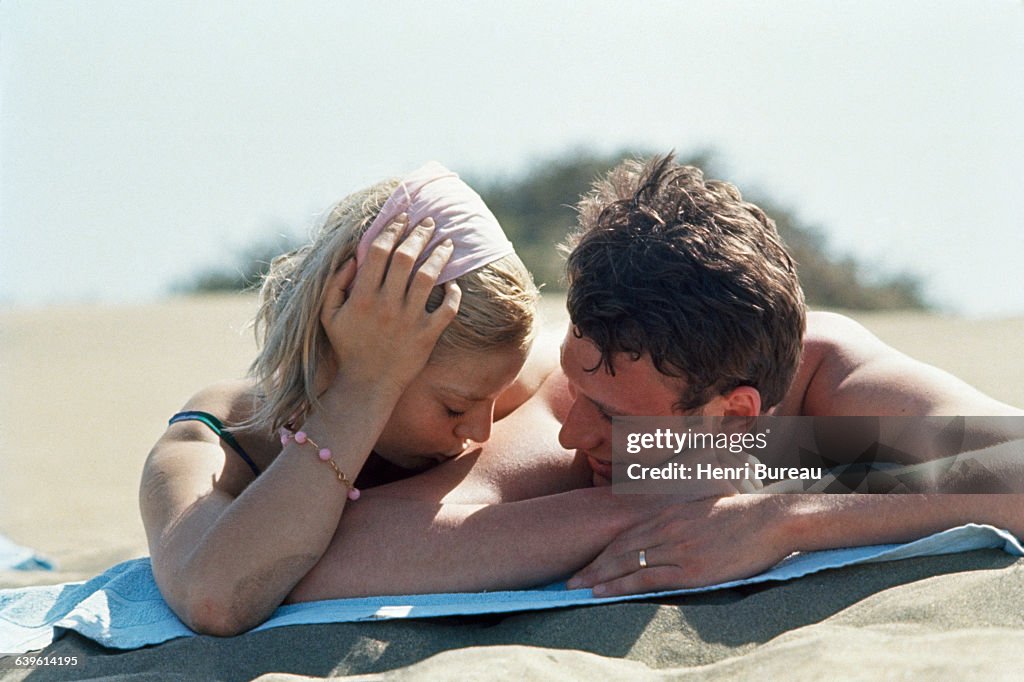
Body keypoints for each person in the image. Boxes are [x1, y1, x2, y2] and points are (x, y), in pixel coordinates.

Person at [279, 154, 1024, 604]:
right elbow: (335, 554)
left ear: (734, 416)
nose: (573, 432)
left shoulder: (830, 372)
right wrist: (635, 510)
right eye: (576, 385)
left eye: (609, 415)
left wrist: (784, 515)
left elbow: (1013, 460)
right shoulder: (572, 410)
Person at [139, 162, 545, 636]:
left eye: (492, 399)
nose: (482, 431)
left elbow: (649, 446)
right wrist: (361, 387)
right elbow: (215, 600)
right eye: (455, 408)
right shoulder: (219, 439)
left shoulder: (496, 381)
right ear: (341, 352)